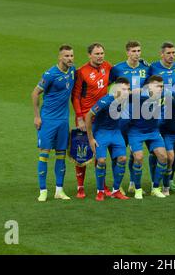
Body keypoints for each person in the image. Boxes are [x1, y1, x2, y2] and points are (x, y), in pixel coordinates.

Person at [31, 44, 76, 202]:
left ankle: (59, 190)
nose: (70, 59)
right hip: (48, 120)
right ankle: (43, 191)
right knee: (44, 154)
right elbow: (35, 93)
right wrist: (37, 117)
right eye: (66, 56)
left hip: (63, 121)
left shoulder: (72, 71)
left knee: (61, 155)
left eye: (71, 56)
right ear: (60, 57)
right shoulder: (50, 74)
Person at [71, 43, 112, 199]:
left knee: (99, 151)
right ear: (90, 55)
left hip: (102, 117)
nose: (100, 56)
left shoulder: (107, 66)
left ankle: (102, 185)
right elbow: (75, 96)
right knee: (82, 152)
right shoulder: (81, 72)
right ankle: (80, 187)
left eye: (102, 53)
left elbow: (122, 75)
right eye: (97, 54)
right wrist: (80, 117)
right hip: (86, 117)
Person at [110, 41, 150, 195]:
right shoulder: (118, 68)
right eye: (133, 51)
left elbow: (150, 86)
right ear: (127, 52)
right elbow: (109, 87)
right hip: (121, 116)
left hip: (139, 116)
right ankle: (117, 185)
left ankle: (133, 183)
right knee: (119, 151)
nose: (137, 54)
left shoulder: (145, 68)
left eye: (139, 50)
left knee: (135, 150)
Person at [85, 77, 131, 201]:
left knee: (122, 158)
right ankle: (100, 191)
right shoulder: (105, 102)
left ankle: (116, 190)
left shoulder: (124, 99)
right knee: (101, 161)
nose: (126, 91)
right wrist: (90, 138)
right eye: (123, 89)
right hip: (101, 133)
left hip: (116, 133)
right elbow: (88, 116)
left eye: (128, 89)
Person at [125, 75, 168, 199]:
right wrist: (131, 92)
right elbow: (120, 95)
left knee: (163, 157)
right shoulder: (139, 96)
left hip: (153, 131)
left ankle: (155, 188)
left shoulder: (164, 96)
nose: (160, 89)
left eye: (161, 86)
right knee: (138, 158)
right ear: (149, 86)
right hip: (136, 131)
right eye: (157, 86)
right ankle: (138, 189)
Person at [148, 42, 175, 192]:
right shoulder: (153, 67)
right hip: (156, 113)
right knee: (155, 151)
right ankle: (153, 181)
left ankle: (169, 180)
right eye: (168, 53)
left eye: (173, 53)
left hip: (172, 113)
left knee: (171, 150)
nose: (171, 56)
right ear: (161, 54)